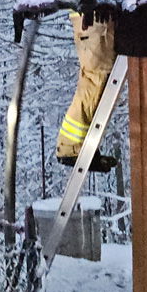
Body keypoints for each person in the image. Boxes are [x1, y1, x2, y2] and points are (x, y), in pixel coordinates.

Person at [56, 11, 118, 172]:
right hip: (95, 18)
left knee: (97, 82)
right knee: (95, 80)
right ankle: (70, 147)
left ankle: (73, 146)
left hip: (95, 18)